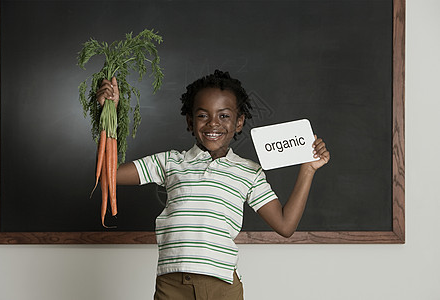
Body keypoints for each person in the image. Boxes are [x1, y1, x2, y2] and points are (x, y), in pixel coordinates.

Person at [96, 70, 330, 300]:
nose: (213, 124)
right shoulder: (169, 162)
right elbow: (110, 175)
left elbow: (285, 225)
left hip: (222, 288)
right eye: (202, 115)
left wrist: (308, 169)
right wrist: (109, 114)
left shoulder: (249, 171)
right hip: (172, 285)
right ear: (190, 121)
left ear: (239, 122)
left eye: (224, 116)